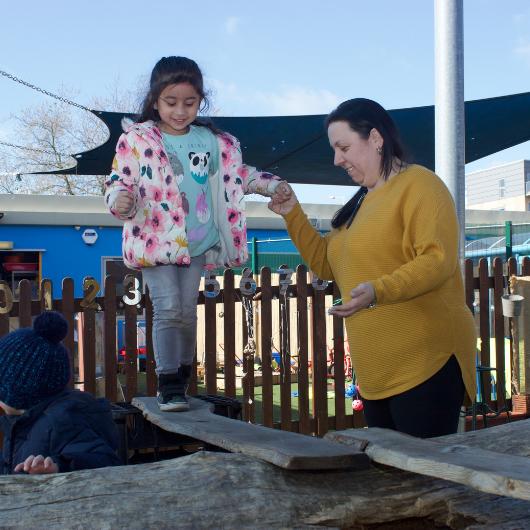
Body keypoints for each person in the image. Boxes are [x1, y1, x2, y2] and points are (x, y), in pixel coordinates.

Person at [268, 98, 477, 438]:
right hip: (376, 374)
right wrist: (292, 213)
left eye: (344, 147)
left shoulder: (421, 185)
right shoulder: (360, 202)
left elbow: (436, 260)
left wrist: (378, 290)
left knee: (426, 483)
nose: (337, 160)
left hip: (426, 363)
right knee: (390, 482)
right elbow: (325, 264)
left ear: (376, 139)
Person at [105, 56, 288, 412]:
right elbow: (118, 182)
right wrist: (121, 201)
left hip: (198, 240)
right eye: (171, 102)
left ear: (200, 100)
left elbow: (239, 175)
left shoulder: (213, 142)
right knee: (168, 307)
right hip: (155, 241)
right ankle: (168, 382)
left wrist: (271, 185)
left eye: (189, 103)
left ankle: (183, 377)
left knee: (187, 311)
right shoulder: (139, 140)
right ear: (155, 100)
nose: (180, 111)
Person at [0, 311, 120, 474]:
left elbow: (105, 461)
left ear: (17, 389)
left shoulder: (63, 420)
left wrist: (59, 466)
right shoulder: (19, 421)